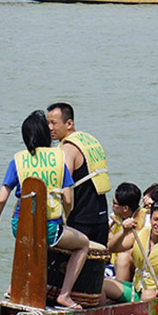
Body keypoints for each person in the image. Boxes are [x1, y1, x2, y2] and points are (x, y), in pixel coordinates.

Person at [0, 110, 89, 309]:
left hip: (21, 227)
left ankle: (12, 288)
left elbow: (1, 199)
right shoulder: (59, 159)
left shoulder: (17, 160)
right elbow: (68, 199)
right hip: (51, 229)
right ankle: (65, 295)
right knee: (83, 244)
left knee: (28, 244)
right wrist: (65, 219)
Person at [46, 102, 111, 245]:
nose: (49, 128)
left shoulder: (67, 149)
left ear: (69, 123)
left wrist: (64, 220)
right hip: (101, 217)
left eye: (53, 123)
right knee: (97, 263)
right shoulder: (89, 140)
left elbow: (64, 188)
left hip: (80, 220)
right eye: (47, 123)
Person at [103, 201, 158, 303]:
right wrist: (124, 231)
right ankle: (107, 314)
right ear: (150, 219)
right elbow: (112, 248)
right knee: (102, 284)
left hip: (156, 293)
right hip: (136, 290)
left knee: (147, 295)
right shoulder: (140, 234)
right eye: (156, 219)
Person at [107, 182, 145, 279]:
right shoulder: (114, 218)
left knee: (123, 256)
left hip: (133, 264)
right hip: (113, 262)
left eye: (115, 203)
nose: (112, 205)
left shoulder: (145, 218)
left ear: (125, 208)